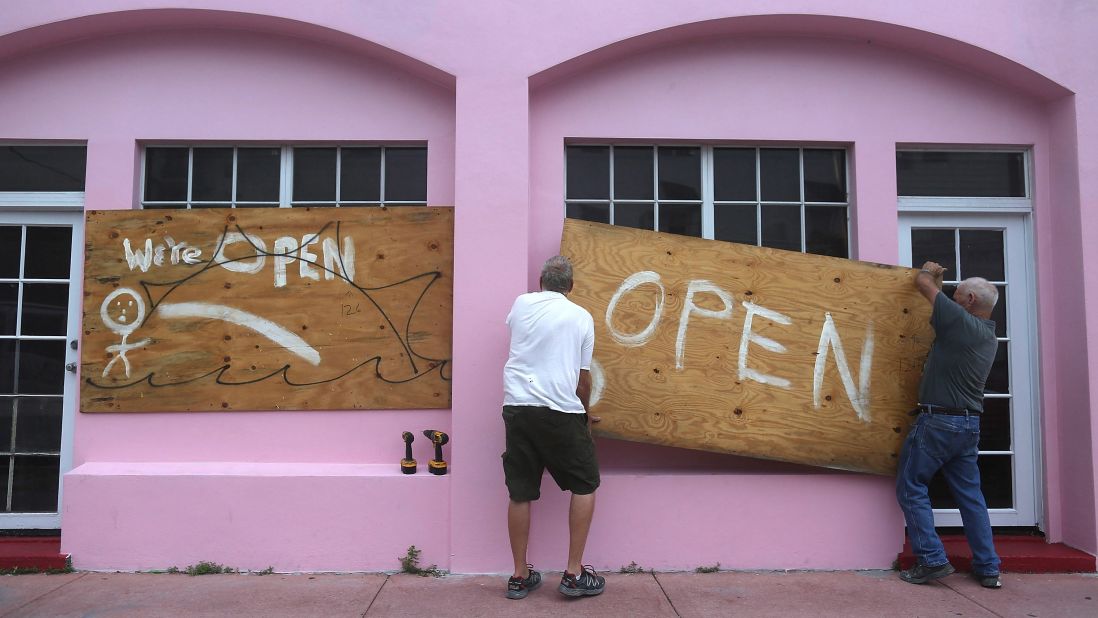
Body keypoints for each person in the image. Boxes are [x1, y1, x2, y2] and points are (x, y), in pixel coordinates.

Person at [501, 255, 605, 600]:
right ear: (571, 287)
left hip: (517, 408)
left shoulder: (520, 304)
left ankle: (519, 575)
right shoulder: (580, 317)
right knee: (586, 483)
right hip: (560, 410)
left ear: (540, 281)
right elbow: (583, 378)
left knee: (520, 491)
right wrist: (586, 414)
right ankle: (574, 574)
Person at [896, 261, 1003, 589]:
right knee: (970, 495)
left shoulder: (960, 322)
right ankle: (988, 567)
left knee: (911, 486)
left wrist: (929, 270)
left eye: (956, 294)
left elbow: (924, 283)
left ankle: (931, 559)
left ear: (970, 299)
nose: (951, 298)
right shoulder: (987, 335)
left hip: (939, 422)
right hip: (968, 425)